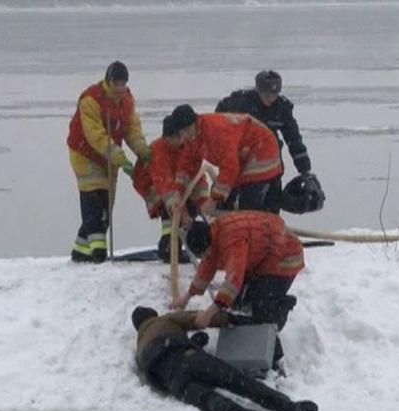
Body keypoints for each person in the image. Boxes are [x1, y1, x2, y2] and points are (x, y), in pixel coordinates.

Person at [132, 306, 318, 411]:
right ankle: (286, 406)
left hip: (173, 380)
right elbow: (198, 318)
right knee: (237, 381)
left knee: (206, 399)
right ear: (153, 315)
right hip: (192, 359)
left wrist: (194, 343)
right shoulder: (164, 320)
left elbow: (158, 369)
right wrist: (230, 319)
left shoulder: (139, 350)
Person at [169, 211, 304, 367]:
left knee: (262, 309)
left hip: (284, 258)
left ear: (208, 244)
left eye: (204, 253)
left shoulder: (232, 242)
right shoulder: (213, 234)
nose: (204, 257)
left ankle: (279, 311)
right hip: (262, 258)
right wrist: (186, 298)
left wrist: (210, 313)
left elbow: (233, 281)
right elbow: (206, 267)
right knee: (238, 302)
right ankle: (254, 327)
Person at [67, 60, 150, 263]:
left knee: (106, 205)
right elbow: (96, 136)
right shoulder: (91, 99)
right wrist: (120, 158)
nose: (121, 88)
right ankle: (98, 253)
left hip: (110, 157)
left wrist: (142, 151)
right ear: (109, 81)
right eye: (117, 83)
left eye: (124, 84)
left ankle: (81, 250)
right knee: (95, 199)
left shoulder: (127, 101)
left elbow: (131, 129)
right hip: (86, 154)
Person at [167, 104, 283, 215]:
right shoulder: (192, 138)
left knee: (248, 204)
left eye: (187, 129)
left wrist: (214, 200)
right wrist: (178, 192)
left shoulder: (216, 132)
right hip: (242, 154)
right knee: (226, 200)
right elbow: (186, 166)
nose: (185, 135)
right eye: (182, 132)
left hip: (261, 150)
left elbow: (230, 167)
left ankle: (257, 228)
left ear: (195, 122)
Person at [132, 115, 209, 262]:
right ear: (166, 137)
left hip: (174, 183)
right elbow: (165, 187)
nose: (179, 140)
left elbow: (195, 176)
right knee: (170, 209)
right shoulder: (158, 151)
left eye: (180, 136)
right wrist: (181, 212)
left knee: (189, 206)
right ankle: (169, 246)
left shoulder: (188, 146)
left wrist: (204, 203)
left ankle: (187, 241)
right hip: (151, 185)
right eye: (175, 137)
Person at [216, 70, 312, 178]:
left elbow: (294, 139)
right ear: (259, 91)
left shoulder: (282, 109)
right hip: (245, 160)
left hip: (271, 163)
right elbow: (219, 117)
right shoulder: (241, 103)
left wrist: (305, 169)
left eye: (274, 94)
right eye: (267, 95)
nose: (271, 99)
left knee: (272, 190)